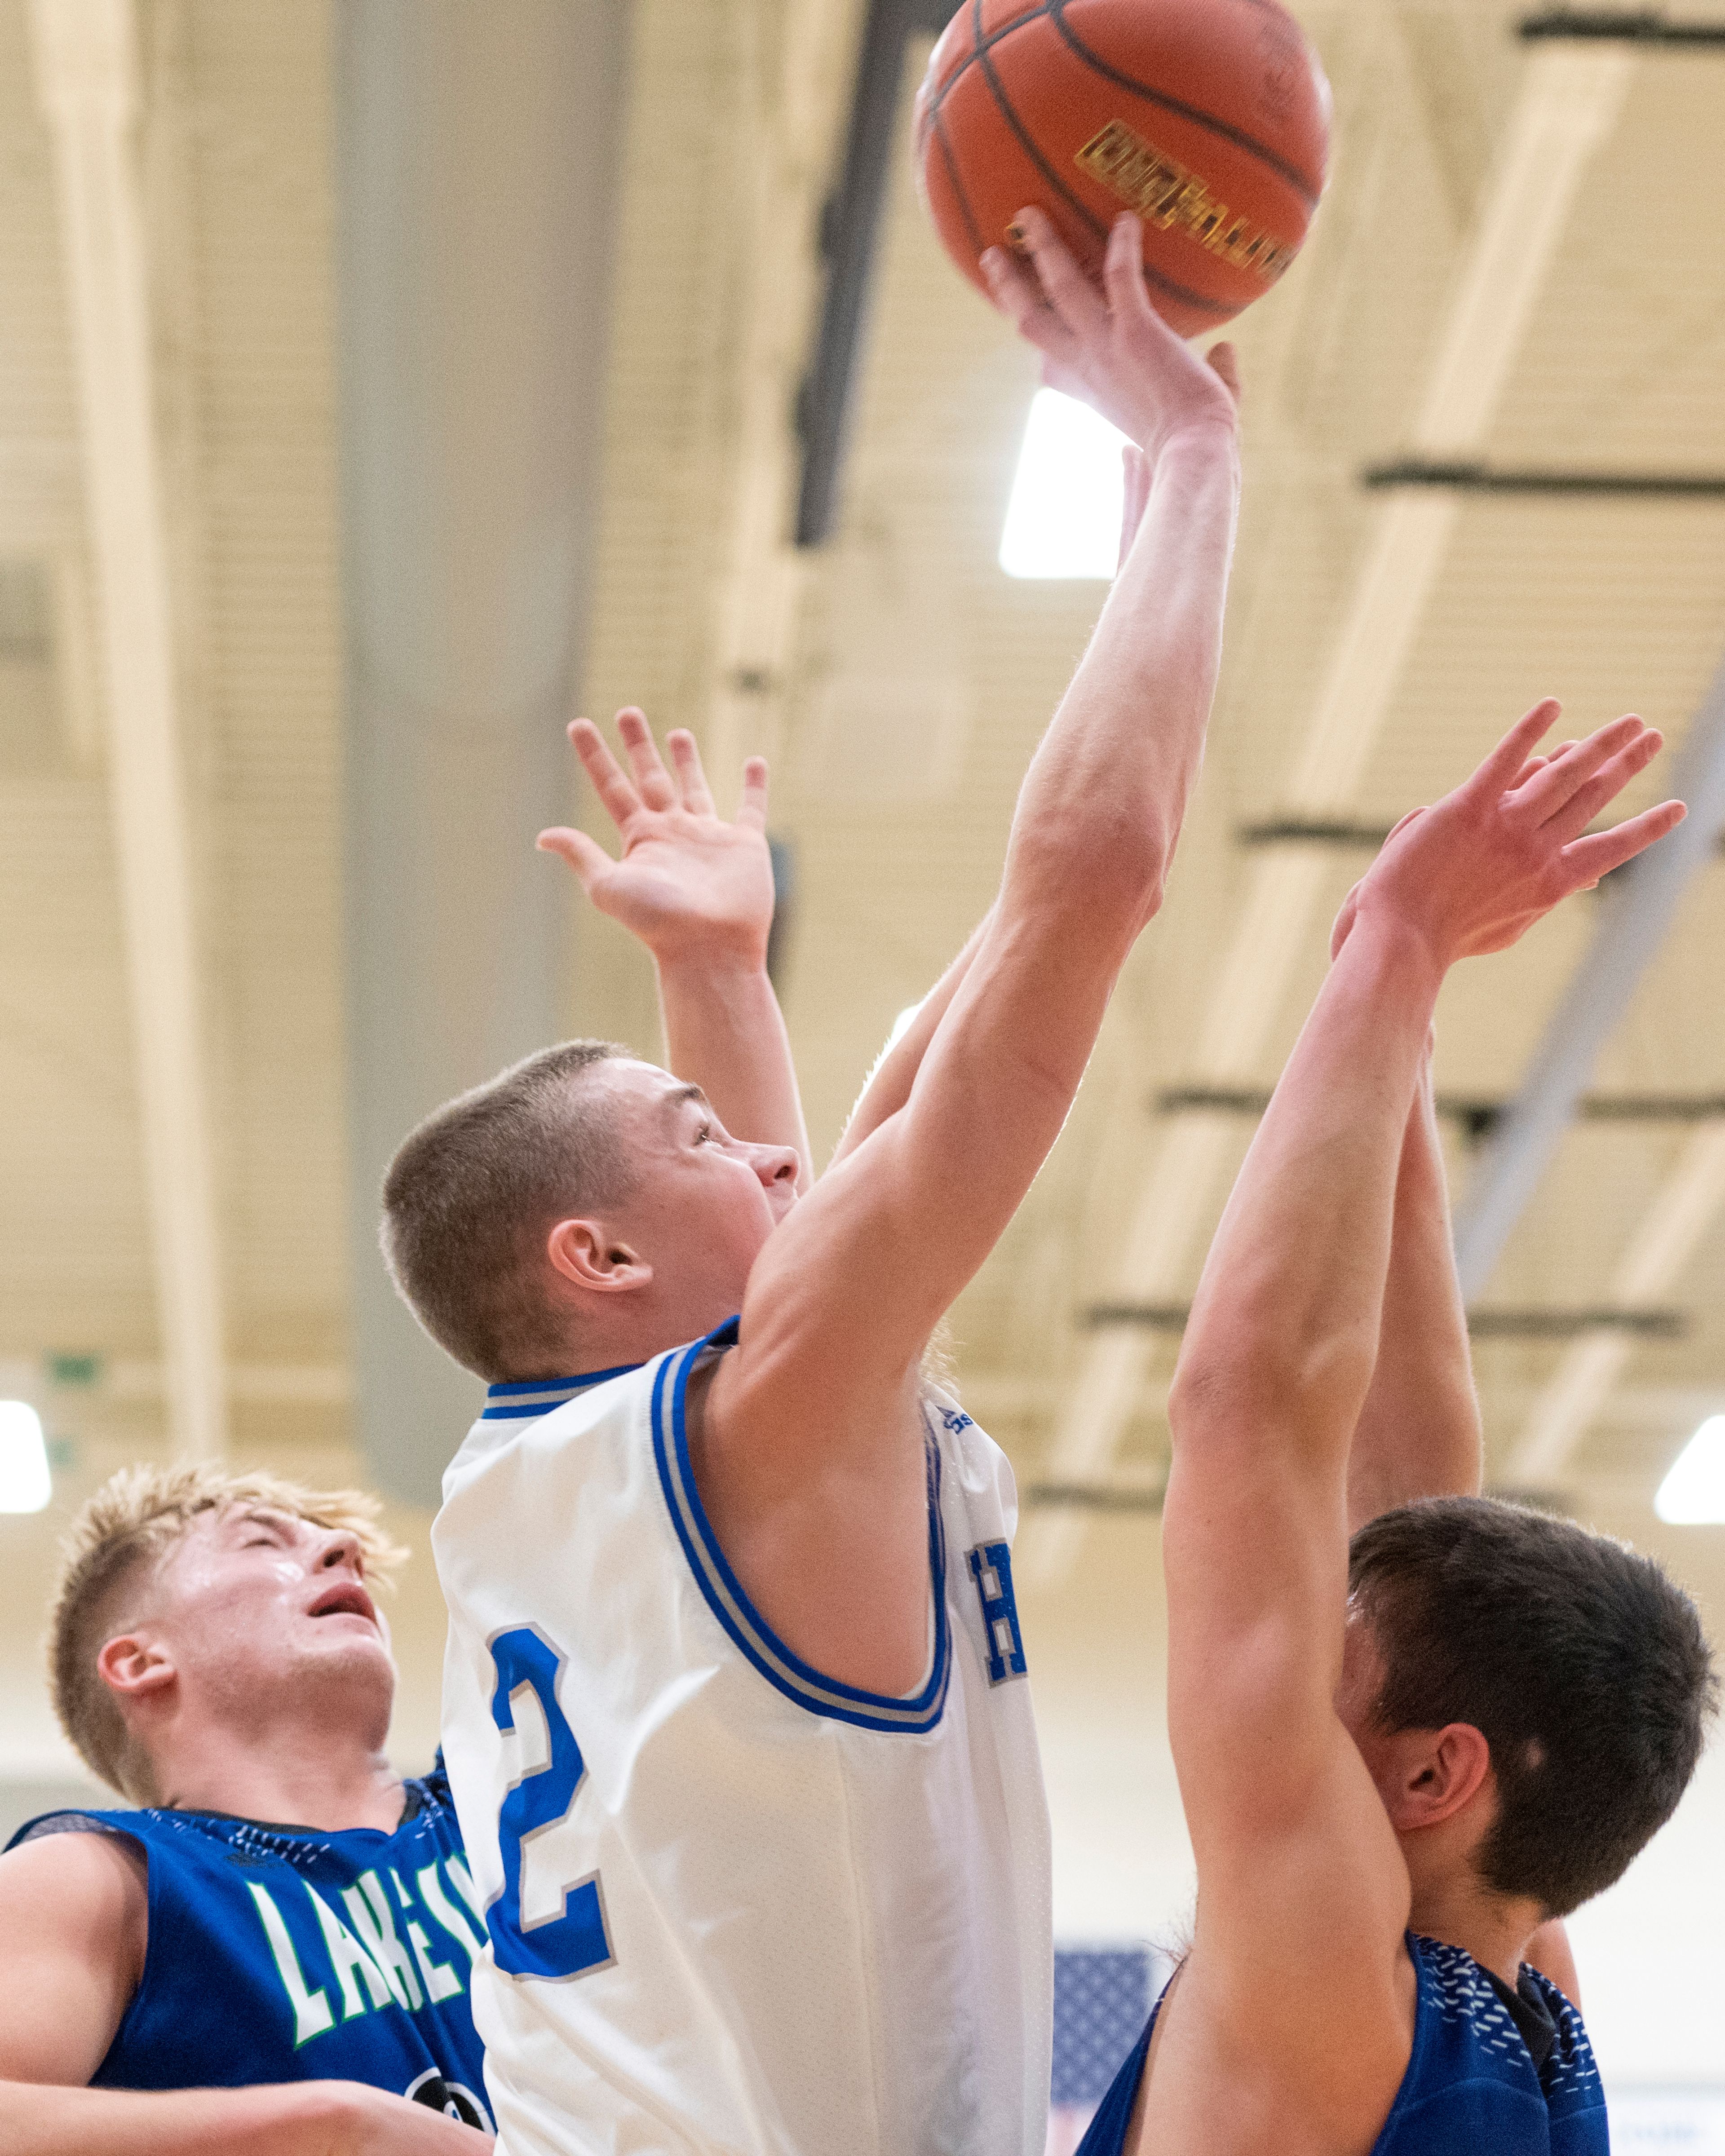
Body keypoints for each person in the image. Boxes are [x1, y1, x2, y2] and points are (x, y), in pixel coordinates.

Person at [380, 206, 1240, 2156]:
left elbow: (794, 1227)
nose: (769, 1147)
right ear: (593, 1253)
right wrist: (1189, 468)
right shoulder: (760, 1419)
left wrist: (713, 975)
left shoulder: (544, 1481)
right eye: (701, 1140)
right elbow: (1089, 886)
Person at [1077, 704, 1717, 2156]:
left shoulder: (1328, 1988)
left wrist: (1401, 946)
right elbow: (1412, 1481)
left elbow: (1246, 1414)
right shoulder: (1530, 1991)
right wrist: (1397, 1006)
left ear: (1437, 1773)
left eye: (1340, 1643)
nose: (1308, 1626)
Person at [0, 1464, 492, 2154]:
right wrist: (330, 2127)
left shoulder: (504, 1796)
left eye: (334, 1540)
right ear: (141, 1662)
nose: (342, 1546)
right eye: (262, 1544)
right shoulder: (99, 1878)